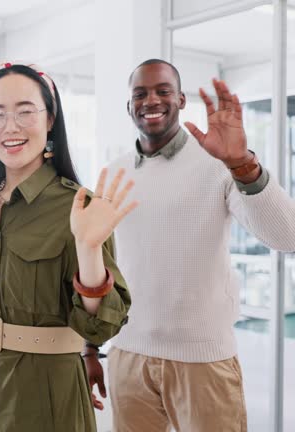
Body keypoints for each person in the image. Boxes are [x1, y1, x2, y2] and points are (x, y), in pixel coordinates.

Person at [89, 59, 295, 432]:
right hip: (129, 355)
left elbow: (287, 237)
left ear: (181, 100)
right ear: (129, 105)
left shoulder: (219, 163)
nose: (151, 100)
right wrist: (91, 347)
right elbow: (99, 265)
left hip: (203, 362)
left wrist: (243, 165)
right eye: (140, 93)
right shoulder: (113, 172)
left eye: (163, 91)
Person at [0, 63, 135, 432]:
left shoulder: (80, 207)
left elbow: (100, 326)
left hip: (47, 402)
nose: (11, 126)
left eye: (25, 112)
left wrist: (89, 250)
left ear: (50, 119)